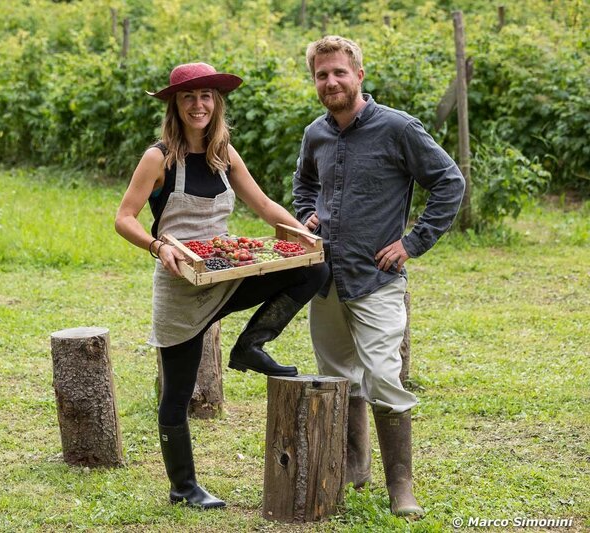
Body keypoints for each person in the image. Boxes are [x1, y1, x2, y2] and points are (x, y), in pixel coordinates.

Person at [115, 62, 324, 509]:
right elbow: (124, 218)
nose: (199, 105)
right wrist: (157, 247)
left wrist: (304, 236)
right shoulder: (159, 157)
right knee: (177, 393)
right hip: (181, 283)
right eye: (189, 97)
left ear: (217, 103)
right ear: (175, 104)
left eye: (207, 96)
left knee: (314, 269)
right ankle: (183, 488)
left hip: (227, 273)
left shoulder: (224, 153)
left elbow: (265, 205)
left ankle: (250, 345)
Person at [292, 36, 465, 517]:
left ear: (359, 75)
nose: (330, 82)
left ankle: (402, 487)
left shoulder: (397, 129)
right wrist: (306, 213)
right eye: (322, 75)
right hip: (325, 277)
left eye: (339, 73)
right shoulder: (316, 134)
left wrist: (411, 243)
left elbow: (450, 181)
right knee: (336, 377)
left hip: (376, 280)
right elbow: (304, 183)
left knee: (385, 378)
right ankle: (354, 468)